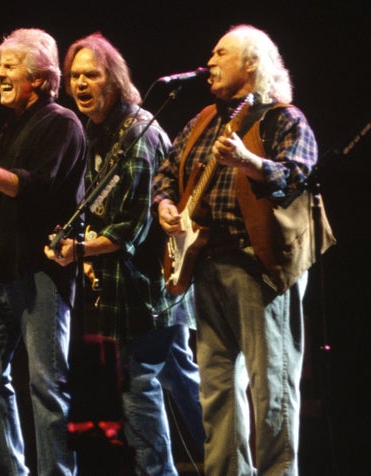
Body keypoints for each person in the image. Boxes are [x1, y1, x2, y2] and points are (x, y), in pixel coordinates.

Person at [153, 24, 320, 475]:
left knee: (272, 389)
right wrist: (166, 204)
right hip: (206, 265)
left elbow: (298, 173)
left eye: (220, 53)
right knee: (217, 390)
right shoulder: (202, 120)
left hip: (258, 266)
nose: (209, 61)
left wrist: (249, 163)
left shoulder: (282, 117)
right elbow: (166, 171)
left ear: (251, 63)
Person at [46, 32, 204, 475]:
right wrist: (80, 244)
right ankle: (231, 460)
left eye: (90, 75)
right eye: (74, 76)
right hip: (129, 291)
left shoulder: (137, 133)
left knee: (143, 385)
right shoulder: (96, 134)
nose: (79, 84)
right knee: (176, 377)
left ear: (113, 81)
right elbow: (98, 210)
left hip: (153, 291)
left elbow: (133, 227)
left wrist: (81, 251)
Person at [0, 28, 86, 476]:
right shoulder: (13, 126)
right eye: (0, 64)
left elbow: (37, 185)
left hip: (40, 272)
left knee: (46, 383)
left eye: (10, 66)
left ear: (42, 77)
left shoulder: (61, 122)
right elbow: (3, 200)